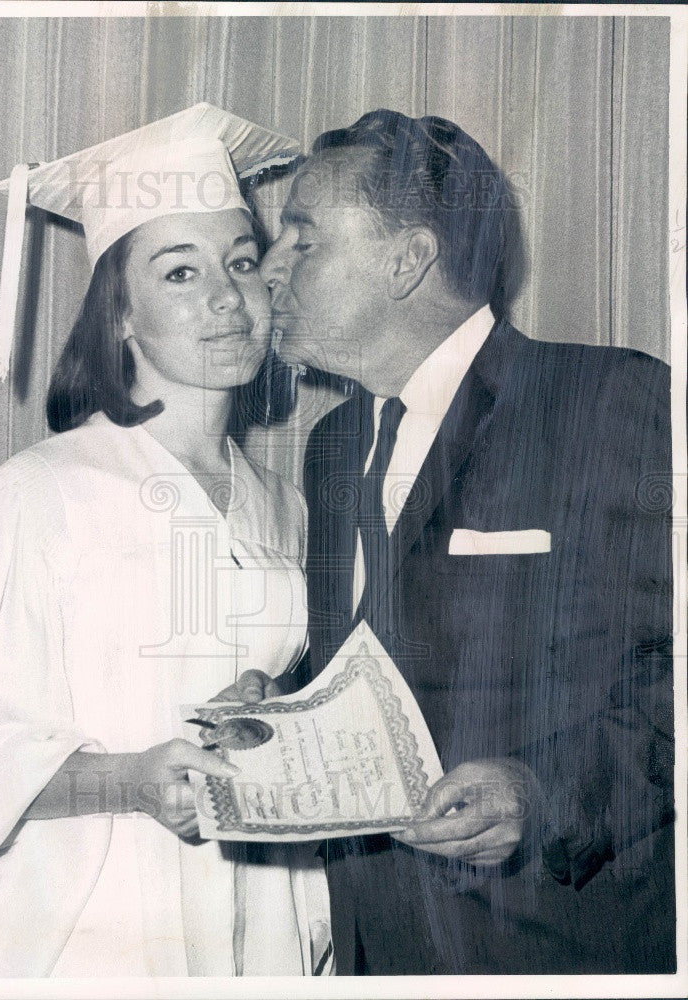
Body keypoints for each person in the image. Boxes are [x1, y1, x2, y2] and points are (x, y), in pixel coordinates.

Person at [234, 109, 674, 974]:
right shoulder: (331, 447)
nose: (269, 272)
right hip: (377, 945)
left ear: (408, 261)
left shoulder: (605, 402)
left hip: (556, 948)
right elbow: (374, 660)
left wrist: (540, 794)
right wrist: (278, 714)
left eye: (302, 239)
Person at [0, 104, 332, 979]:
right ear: (121, 317)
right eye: (179, 273)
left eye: (241, 262)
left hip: (263, 920)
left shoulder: (284, 507)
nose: (225, 295)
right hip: (96, 926)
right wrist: (130, 780)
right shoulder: (34, 498)